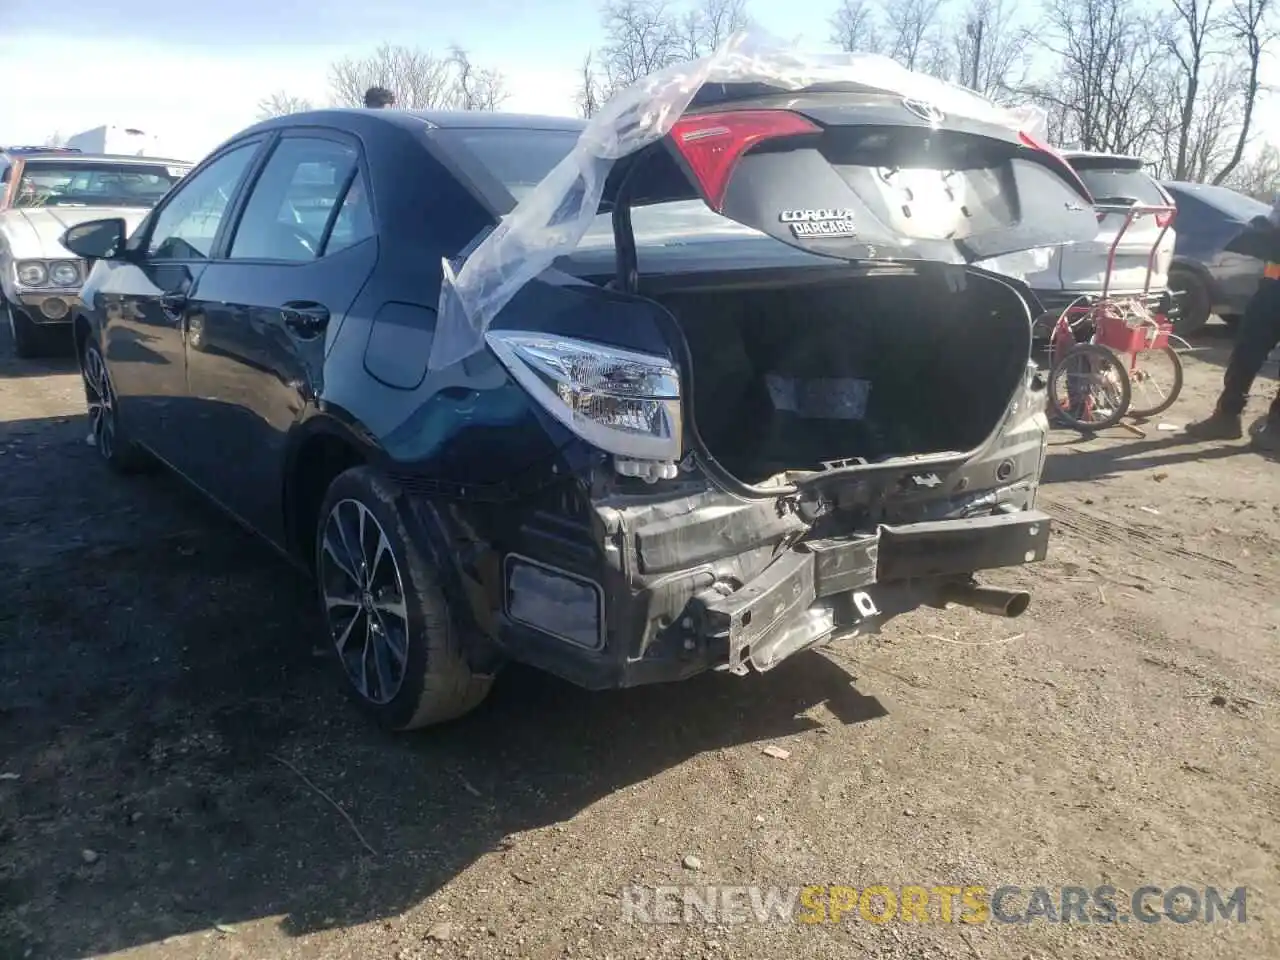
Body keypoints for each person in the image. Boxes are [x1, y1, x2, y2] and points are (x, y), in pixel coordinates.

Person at [1183, 199, 1280, 450]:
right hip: (1273, 288)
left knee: (1248, 350)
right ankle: (1227, 417)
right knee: (1246, 351)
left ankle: (1275, 428)